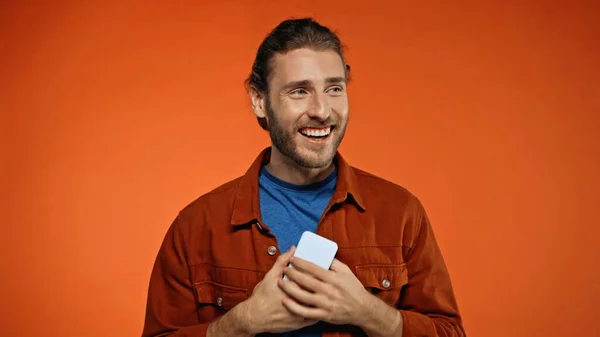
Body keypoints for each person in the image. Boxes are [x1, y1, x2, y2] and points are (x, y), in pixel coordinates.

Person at [141, 17, 465, 337]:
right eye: (299, 91)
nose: (322, 110)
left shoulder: (402, 213)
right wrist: (238, 325)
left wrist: (371, 313)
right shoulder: (195, 226)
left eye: (334, 88)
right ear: (259, 101)